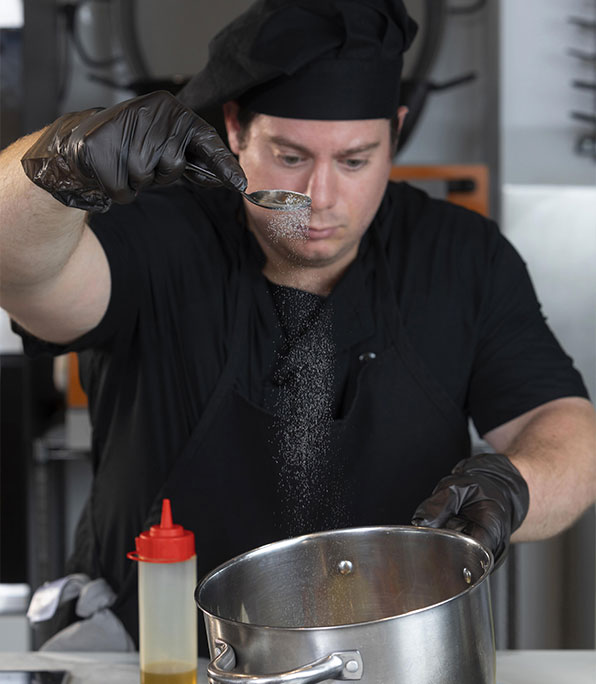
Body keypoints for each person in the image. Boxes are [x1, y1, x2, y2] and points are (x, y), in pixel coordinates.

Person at [1, 0, 595, 654]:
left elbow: (564, 428)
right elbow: (19, 272)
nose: (319, 197)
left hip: (397, 657)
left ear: (395, 132)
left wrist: (515, 488)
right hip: (162, 658)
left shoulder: (460, 258)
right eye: (289, 157)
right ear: (235, 129)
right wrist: (59, 164)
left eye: (355, 161)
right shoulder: (156, 235)